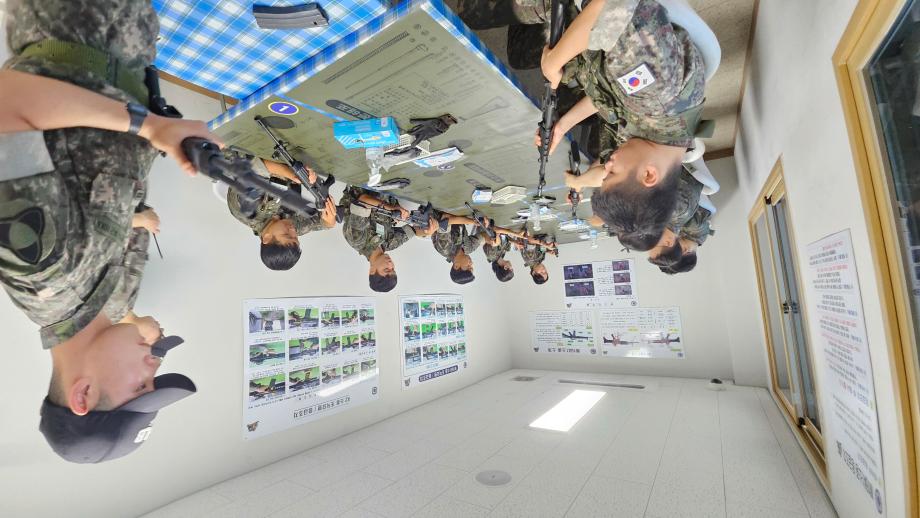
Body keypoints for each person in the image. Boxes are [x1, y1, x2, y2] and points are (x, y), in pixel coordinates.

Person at [0, 0, 217, 462]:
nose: (154, 363)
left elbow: (5, 103)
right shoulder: (111, 299)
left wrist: (148, 126)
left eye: (140, 386)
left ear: (83, 393)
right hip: (128, 36)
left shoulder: (44, 274)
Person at [226, 158, 337, 271]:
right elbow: (322, 223)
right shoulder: (291, 229)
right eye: (295, 237)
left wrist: (290, 173)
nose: (293, 230)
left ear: (267, 238)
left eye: (287, 234)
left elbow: (251, 166)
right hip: (292, 160)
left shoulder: (246, 208)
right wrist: (329, 220)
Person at [338, 186, 438, 292]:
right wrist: (427, 231)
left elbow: (362, 201)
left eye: (386, 269)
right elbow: (414, 231)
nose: (390, 264)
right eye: (393, 269)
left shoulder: (357, 240)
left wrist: (390, 207)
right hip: (388, 187)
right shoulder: (389, 244)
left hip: (365, 183)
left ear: (372, 270)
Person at [431, 212, 491, 284]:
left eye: (468, 266)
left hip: (441, 209)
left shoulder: (445, 249)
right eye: (471, 266)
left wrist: (472, 221)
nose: (471, 263)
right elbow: (484, 236)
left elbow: (445, 219)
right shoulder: (468, 249)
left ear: (456, 266)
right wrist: (492, 241)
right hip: (458, 211)